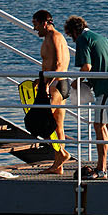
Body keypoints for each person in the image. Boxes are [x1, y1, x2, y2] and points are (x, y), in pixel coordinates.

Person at [67, 15, 108, 179]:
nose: (72, 40)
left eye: (70, 36)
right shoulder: (101, 38)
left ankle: (102, 168)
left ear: (74, 32)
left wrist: (76, 82)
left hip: (106, 87)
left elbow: (87, 66)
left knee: (99, 125)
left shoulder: (82, 39)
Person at [33, 9, 71, 174]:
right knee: (57, 126)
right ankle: (58, 166)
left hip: (55, 85)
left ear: (44, 22)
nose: (35, 29)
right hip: (59, 84)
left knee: (44, 124)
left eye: (35, 24)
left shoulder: (53, 37)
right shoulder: (55, 37)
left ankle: (62, 154)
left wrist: (46, 84)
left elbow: (57, 64)